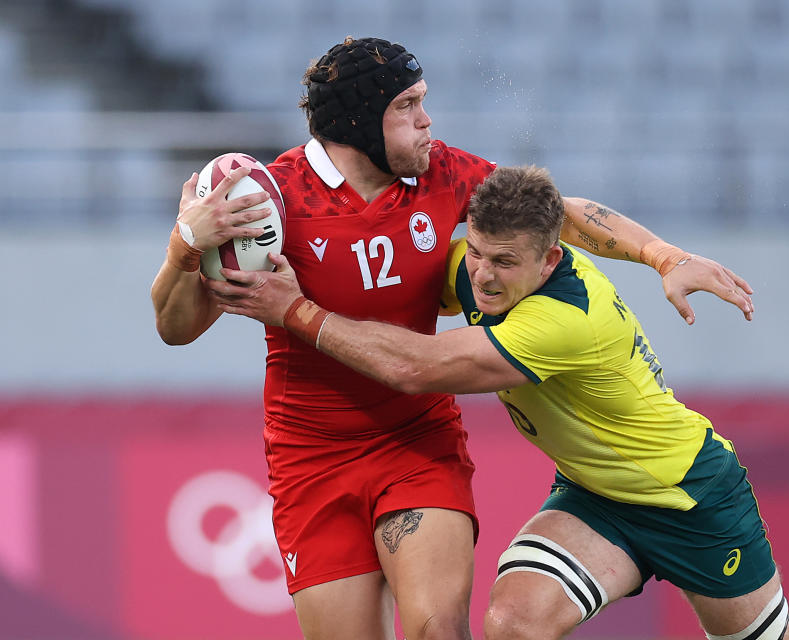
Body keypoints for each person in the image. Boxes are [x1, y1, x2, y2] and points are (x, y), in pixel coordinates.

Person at [152, 36, 756, 640]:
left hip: (416, 441)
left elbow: (559, 213)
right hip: (310, 458)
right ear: (361, 122)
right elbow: (176, 329)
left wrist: (664, 256)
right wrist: (185, 240)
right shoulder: (275, 202)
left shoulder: (444, 172)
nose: (426, 120)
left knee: (436, 631)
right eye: (408, 106)